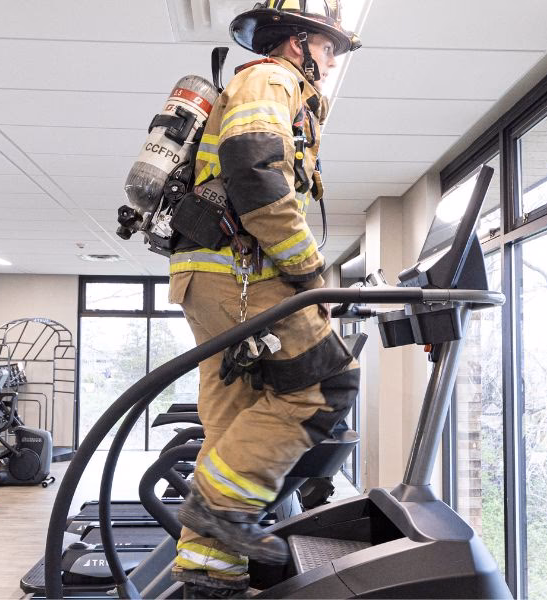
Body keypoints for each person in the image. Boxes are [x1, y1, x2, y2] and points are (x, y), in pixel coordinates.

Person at [166, 1, 362, 597]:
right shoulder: (271, 78)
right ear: (296, 43)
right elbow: (254, 169)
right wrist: (308, 272)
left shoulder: (268, 86)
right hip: (243, 272)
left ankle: (208, 576)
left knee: (233, 424)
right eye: (328, 47)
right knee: (327, 385)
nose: (332, 61)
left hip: (211, 274)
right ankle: (220, 511)